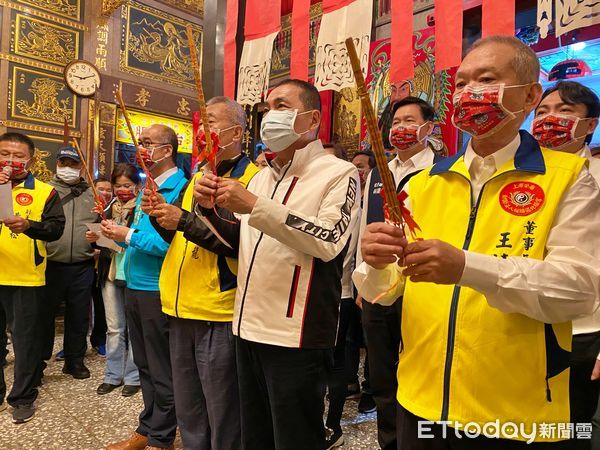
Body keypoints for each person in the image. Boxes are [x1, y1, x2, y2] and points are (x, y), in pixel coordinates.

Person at [354, 35, 600, 448]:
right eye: (463, 84)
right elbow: (384, 290)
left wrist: (468, 268)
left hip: (517, 411)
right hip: (420, 399)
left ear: (529, 95)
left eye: (486, 79)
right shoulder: (423, 185)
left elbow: (576, 290)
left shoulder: (569, 179)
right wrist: (376, 262)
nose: (470, 94)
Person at [194, 79, 360, 449]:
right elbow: (241, 241)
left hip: (295, 333)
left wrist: (255, 206)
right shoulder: (264, 176)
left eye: (282, 107)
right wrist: (207, 211)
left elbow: (329, 241)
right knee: (256, 434)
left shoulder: (338, 173)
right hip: (247, 326)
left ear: (312, 118)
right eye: (266, 110)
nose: (270, 117)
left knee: (295, 436)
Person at [144, 96, 259, 450]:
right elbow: (180, 233)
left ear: (236, 131)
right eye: (199, 124)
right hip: (181, 306)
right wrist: (160, 215)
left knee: (223, 410)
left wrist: (185, 221)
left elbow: (238, 243)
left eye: (210, 122)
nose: (201, 131)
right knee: (190, 408)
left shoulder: (253, 179)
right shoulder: (198, 176)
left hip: (217, 310)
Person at [358, 96, 437, 450]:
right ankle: (389, 441)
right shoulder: (378, 172)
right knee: (382, 377)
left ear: (428, 128)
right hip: (376, 286)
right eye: (396, 122)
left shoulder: (441, 170)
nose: (401, 128)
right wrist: (357, 281)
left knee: (420, 372)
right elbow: (363, 226)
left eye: (409, 121)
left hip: (420, 285)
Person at [105, 124, 186, 450]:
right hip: (134, 284)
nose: (141, 149)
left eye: (148, 143)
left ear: (167, 150)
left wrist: (127, 236)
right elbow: (141, 238)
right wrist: (114, 235)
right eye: (140, 142)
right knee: (145, 365)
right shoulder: (146, 189)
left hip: (157, 289)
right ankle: (147, 427)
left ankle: (161, 437)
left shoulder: (180, 188)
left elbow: (169, 245)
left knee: (161, 368)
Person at [532, 80, 600, 449]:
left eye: (564, 111)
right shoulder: (522, 175)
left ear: (590, 124)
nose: (550, 119)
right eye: (541, 112)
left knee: (572, 429)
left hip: (585, 331)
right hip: (525, 324)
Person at [0, 132, 65, 423]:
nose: (10, 161)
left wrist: (29, 225)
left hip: (25, 277)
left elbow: (55, 229)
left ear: (31, 159)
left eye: (18, 156)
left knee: (25, 342)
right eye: (5, 154)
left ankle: (23, 397)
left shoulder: (44, 192)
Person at [41, 146, 99, 380]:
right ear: (56, 164)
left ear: (82, 167)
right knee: (43, 317)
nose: (68, 168)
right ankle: (38, 363)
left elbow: (99, 223)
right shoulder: (45, 191)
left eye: (73, 164)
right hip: (50, 264)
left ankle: (75, 361)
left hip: (82, 266)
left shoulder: (92, 193)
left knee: (79, 317)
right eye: (63, 163)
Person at [89, 165, 141, 398]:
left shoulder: (143, 208)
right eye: (118, 186)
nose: (122, 190)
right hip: (110, 272)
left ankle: (133, 376)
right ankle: (112, 375)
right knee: (114, 328)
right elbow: (99, 241)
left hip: (133, 272)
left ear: (137, 186)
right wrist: (94, 237)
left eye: (127, 186)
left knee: (134, 328)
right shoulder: (107, 209)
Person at [324, 142, 361, 448]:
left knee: (333, 361)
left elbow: (343, 249)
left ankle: (331, 425)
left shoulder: (349, 202)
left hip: (339, 293)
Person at [89, 177, 113, 357]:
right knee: (79, 309)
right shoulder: (86, 208)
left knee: (101, 306)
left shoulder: (112, 210)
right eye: (101, 189)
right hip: (82, 265)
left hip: (103, 266)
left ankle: (99, 340)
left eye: (108, 190)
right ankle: (74, 346)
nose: (105, 193)